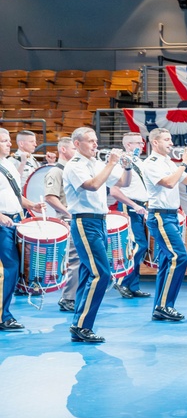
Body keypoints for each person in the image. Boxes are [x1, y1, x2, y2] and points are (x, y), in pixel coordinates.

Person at [62, 127, 131, 343]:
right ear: (77, 144)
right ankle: (82, 325)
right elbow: (92, 186)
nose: (95, 144)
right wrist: (111, 163)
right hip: (85, 221)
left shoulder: (96, 164)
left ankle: (79, 324)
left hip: (100, 220)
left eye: (95, 140)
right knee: (101, 274)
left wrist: (126, 167)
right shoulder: (75, 166)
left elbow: (123, 183)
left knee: (87, 274)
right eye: (90, 141)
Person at [143, 128, 187, 322]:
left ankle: (160, 306)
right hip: (160, 215)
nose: (171, 143)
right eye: (166, 140)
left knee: (169, 261)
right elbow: (168, 183)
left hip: (171, 215)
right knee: (179, 257)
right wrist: (184, 163)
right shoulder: (151, 163)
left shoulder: (168, 162)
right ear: (155, 142)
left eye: (170, 139)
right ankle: (164, 305)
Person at [0, 128, 45, 333]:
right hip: (2, 223)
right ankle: (3, 316)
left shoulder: (8, 163)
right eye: (4, 141)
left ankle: (5, 313)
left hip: (13, 220)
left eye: (8, 140)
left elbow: (14, 194)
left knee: (13, 268)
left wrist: (30, 205)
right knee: (8, 269)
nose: (9, 144)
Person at [108, 132, 151, 299]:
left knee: (142, 245)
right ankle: (121, 281)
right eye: (137, 143)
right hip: (130, 206)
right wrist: (133, 205)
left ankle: (133, 285)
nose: (141, 146)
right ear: (128, 146)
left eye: (141, 143)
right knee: (136, 245)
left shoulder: (138, 162)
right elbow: (114, 190)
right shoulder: (122, 163)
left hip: (141, 206)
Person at [44, 137, 82, 312]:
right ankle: (68, 298)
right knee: (74, 260)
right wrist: (69, 213)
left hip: (76, 218)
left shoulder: (72, 170)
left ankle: (75, 295)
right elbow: (50, 197)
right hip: (67, 219)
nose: (77, 152)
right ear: (64, 150)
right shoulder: (56, 172)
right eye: (74, 149)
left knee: (80, 260)